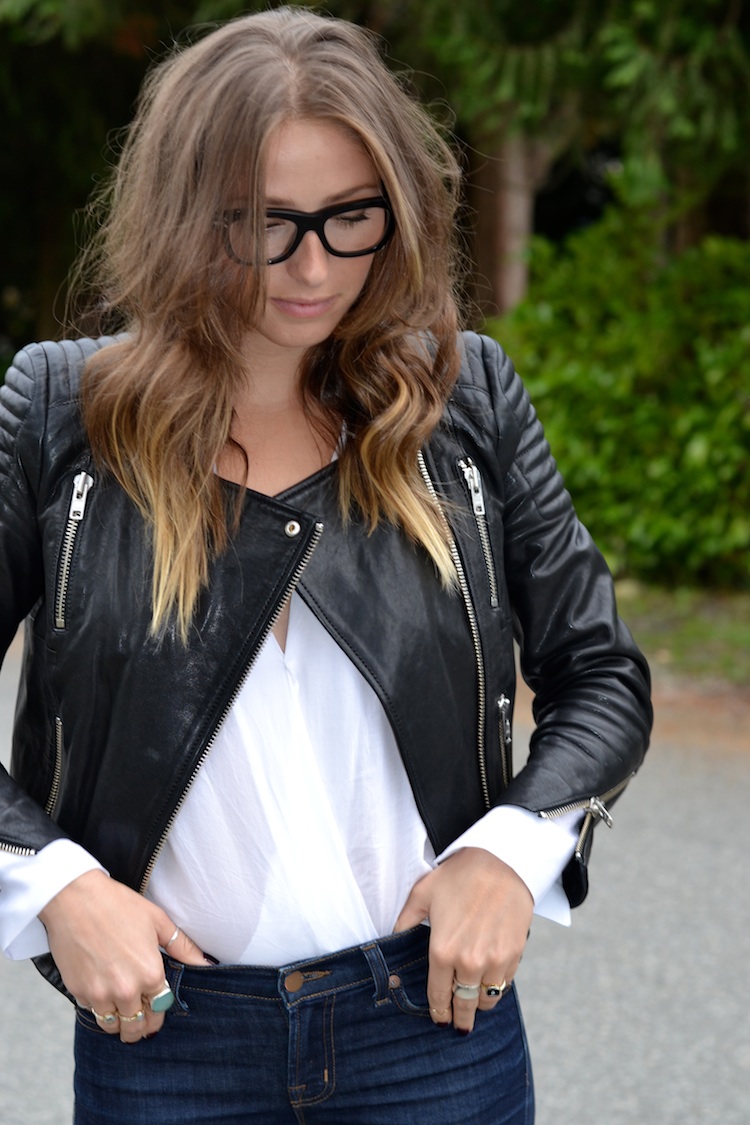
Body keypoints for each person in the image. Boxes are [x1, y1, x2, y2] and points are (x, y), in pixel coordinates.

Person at [0, 7, 652, 1123]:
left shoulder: (462, 400)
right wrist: (54, 885)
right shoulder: (61, 413)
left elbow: (602, 675)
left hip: (436, 1031)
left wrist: (511, 850)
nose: (314, 266)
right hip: (165, 1038)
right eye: (265, 223)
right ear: (181, 215)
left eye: (352, 218)